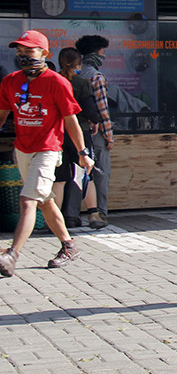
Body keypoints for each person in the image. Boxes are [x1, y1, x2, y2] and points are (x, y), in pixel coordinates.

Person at [0, 30, 95, 277]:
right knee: (44, 200)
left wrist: (83, 152)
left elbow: (71, 121)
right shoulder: (10, 81)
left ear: (44, 53)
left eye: (29, 51)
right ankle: (69, 245)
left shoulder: (57, 82)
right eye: (19, 52)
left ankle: (13, 255)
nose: (23, 56)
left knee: (28, 200)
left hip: (48, 149)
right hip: (23, 149)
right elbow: (2, 115)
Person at [52, 48, 102, 228]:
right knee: (86, 175)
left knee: (59, 179)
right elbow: (90, 111)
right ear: (79, 64)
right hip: (79, 134)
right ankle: (93, 215)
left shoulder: (53, 81)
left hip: (57, 135)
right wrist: (95, 122)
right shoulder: (81, 84)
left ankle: (56, 221)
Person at [75, 35, 113, 229]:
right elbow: (102, 109)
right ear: (94, 55)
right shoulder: (96, 77)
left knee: (76, 172)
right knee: (100, 173)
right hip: (95, 133)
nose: (104, 56)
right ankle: (100, 213)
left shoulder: (74, 75)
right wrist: (109, 136)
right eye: (102, 53)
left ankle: (72, 213)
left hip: (75, 132)